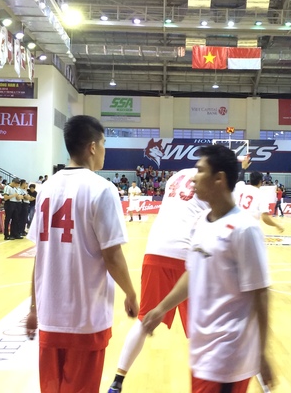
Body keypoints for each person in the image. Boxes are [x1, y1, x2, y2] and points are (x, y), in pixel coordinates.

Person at [142, 144, 273, 392]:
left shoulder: (245, 229)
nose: (193, 177)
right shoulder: (201, 222)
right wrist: (161, 308)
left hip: (228, 358)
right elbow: (192, 273)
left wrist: (263, 353)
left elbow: (261, 294)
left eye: (200, 171)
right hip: (202, 354)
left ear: (219, 179)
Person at [25, 115, 138, 393]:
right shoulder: (103, 189)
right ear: (92, 147)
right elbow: (112, 255)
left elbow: (40, 256)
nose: (105, 150)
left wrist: (34, 307)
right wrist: (131, 293)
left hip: (50, 315)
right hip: (85, 317)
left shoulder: (46, 188)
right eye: (104, 143)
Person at [107, 168, 208, 393]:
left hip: (156, 247)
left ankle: (117, 381)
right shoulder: (212, 178)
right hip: (187, 253)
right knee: (201, 327)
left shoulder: (176, 175)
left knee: (144, 320)